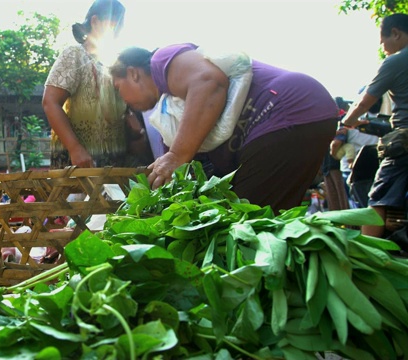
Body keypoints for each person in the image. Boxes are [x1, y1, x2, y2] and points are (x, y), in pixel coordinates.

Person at [110, 44, 339, 213]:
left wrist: (176, 155)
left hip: (284, 111)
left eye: (118, 88)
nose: (123, 101)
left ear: (133, 73)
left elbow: (209, 80)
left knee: (242, 224)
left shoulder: (161, 60)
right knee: (267, 224)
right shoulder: (169, 115)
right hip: (307, 116)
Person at [42, 0, 147, 169]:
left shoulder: (117, 62)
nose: (119, 30)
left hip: (115, 165)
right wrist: (75, 148)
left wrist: (136, 134)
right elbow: (50, 102)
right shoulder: (74, 55)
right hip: (77, 164)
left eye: (122, 24)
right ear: (95, 21)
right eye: (115, 24)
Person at [341, 13, 408, 238]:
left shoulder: (396, 61)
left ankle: (368, 258)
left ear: (396, 33)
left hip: (404, 142)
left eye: (383, 38)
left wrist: (347, 121)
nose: (382, 44)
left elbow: (363, 102)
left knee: (379, 198)